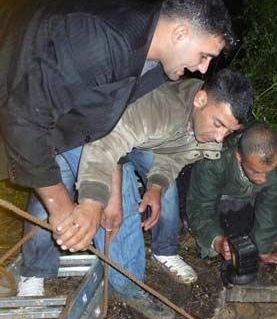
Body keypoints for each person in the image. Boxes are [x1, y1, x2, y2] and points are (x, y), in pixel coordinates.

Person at [0, 0, 233, 319]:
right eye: (204, 55)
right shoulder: (100, 40)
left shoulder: (151, 64)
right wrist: (61, 206)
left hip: (63, 119)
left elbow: (107, 122)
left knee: (112, 195)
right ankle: (35, 270)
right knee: (53, 181)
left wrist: (103, 193)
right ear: (181, 33)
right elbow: (24, 119)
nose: (203, 69)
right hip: (17, 97)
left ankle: (125, 284)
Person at [77, 70, 254, 285]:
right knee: (117, 197)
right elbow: (107, 141)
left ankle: (165, 251)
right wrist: (94, 201)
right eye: (218, 124)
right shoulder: (162, 108)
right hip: (102, 125)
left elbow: (175, 156)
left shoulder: (203, 120)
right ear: (200, 99)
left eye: (228, 131)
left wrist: (156, 186)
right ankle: (36, 270)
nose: (219, 137)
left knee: (165, 189)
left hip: (147, 140)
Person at [186, 123, 277, 282]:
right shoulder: (213, 160)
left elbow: (274, 203)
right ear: (239, 156)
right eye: (256, 172)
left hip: (248, 194)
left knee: (250, 242)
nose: (263, 179)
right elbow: (201, 208)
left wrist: (263, 249)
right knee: (225, 238)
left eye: (268, 171)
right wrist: (216, 241)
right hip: (214, 189)